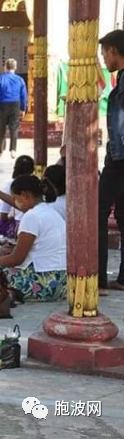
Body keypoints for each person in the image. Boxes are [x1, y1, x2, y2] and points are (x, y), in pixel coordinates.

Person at [0, 176, 67, 302]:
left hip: (44, 283)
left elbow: (17, 259)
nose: (15, 203)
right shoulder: (49, 211)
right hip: (61, 283)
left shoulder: (31, 216)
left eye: (16, 199)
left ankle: (10, 293)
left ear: (24, 195)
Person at [99, 30, 124, 292]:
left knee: (99, 212)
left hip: (119, 158)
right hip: (119, 155)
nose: (104, 59)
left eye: (105, 53)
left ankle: (97, 278)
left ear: (113, 51)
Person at [0, 155, 35, 239]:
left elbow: (3, 217)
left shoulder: (12, 185)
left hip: (21, 226)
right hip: (33, 224)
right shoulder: (36, 182)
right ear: (33, 169)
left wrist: (0, 194)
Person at [0, 58, 28, 159]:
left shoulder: (0, 78)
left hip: (3, 105)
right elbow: (23, 95)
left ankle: (0, 150)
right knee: (14, 128)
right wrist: (23, 108)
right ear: (15, 68)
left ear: (5, 67)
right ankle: (13, 150)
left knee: (1, 128)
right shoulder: (20, 80)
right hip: (15, 105)